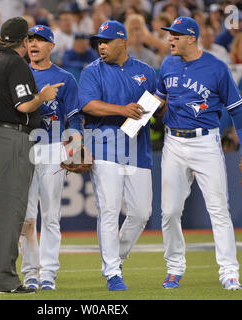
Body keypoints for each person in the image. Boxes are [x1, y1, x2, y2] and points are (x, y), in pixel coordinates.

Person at [155, 16, 242, 291]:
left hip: (205, 143)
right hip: (173, 143)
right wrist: (130, 126)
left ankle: (230, 272)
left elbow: (237, 112)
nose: (169, 39)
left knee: (218, 210)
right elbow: (157, 99)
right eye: (169, 35)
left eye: (175, 35)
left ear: (191, 37)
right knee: (169, 211)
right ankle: (174, 268)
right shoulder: (167, 64)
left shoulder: (216, 68)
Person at [0, 17, 63, 294]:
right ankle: (5, 280)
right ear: (22, 41)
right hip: (8, 138)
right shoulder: (15, 63)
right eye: (28, 39)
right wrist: (42, 96)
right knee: (10, 212)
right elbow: (23, 106)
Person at [78, 20, 157, 291]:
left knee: (141, 212)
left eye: (106, 41)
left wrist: (157, 106)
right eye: (98, 41)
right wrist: (122, 110)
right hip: (105, 148)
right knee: (109, 211)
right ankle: (112, 272)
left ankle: (117, 258)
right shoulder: (92, 71)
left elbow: (156, 103)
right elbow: (87, 104)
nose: (101, 46)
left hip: (138, 149)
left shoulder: (146, 71)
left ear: (123, 41)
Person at [19, 25, 83, 291]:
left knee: (51, 215)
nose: (34, 44)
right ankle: (30, 273)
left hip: (53, 146)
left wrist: (77, 144)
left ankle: (48, 273)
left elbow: (76, 116)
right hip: (23, 146)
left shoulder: (65, 77)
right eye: (31, 40)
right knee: (26, 217)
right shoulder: (18, 74)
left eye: (41, 40)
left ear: (51, 47)